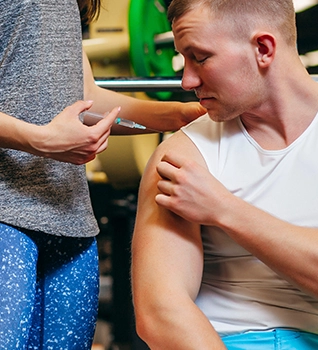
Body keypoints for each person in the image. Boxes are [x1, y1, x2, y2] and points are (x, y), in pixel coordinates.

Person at [131, 0, 318, 349]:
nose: (187, 80)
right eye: (183, 59)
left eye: (199, 57)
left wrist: (223, 208)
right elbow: (161, 312)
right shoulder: (184, 156)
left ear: (263, 49)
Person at [0, 0, 205, 348]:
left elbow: (85, 99)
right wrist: (41, 140)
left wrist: (179, 115)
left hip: (71, 220)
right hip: (5, 213)